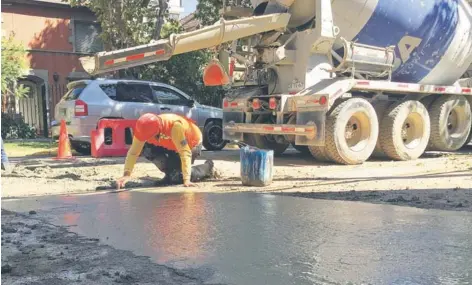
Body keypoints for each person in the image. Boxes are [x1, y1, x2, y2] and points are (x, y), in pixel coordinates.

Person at [116, 113, 215, 189]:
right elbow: (133, 152)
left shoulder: (175, 126)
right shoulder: (142, 128)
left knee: (179, 177)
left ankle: (208, 166)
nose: (145, 139)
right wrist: (126, 174)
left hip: (191, 144)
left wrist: (186, 180)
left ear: (157, 132)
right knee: (147, 149)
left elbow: (185, 152)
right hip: (170, 145)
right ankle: (170, 174)